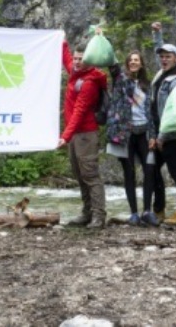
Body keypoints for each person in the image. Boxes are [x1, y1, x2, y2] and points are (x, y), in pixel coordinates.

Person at [106, 49, 165, 227]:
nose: (133, 62)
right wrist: (104, 39)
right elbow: (112, 65)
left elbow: (151, 112)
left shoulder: (147, 84)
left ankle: (147, 211)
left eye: (136, 60)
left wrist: (154, 135)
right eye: (130, 60)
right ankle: (133, 213)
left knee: (149, 171)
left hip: (144, 132)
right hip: (125, 133)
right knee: (129, 172)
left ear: (141, 63)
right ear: (127, 63)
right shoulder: (121, 80)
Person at [58, 39, 108, 229]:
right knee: (79, 174)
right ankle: (86, 212)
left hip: (86, 133)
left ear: (90, 60)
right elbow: (66, 59)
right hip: (74, 134)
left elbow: (79, 111)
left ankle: (98, 215)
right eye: (77, 58)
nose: (77, 62)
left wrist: (65, 135)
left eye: (82, 59)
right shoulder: (75, 72)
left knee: (90, 175)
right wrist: (61, 41)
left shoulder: (90, 81)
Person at [150, 29, 176, 226]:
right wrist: (157, 35)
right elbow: (153, 107)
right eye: (162, 56)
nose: (164, 59)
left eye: (168, 56)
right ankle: (158, 209)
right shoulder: (162, 73)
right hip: (158, 133)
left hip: (172, 134)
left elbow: (173, 110)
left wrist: (162, 136)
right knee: (153, 170)